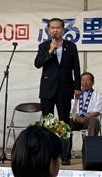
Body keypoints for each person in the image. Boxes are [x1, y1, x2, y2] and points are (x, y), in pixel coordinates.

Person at [34, 18, 81, 165]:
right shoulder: (44, 46)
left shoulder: (71, 46)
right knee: (47, 123)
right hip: (47, 89)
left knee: (64, 123)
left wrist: (77, 87)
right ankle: (47, 154)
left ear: (63, 30)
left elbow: (77, 68)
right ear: (48, 30)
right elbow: (37, 64)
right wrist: (50, 50)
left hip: (65, 89)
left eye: (58, 28)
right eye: (52, 28)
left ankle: (65, 155)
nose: (55, 30)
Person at [70, 72, 102, 137]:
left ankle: (91, 145)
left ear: (92, 82)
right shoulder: (76, 94)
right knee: (65, 122)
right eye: (83, 80)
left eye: (88, 80)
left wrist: (85, 118)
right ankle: (66, 146)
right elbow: (72, 110)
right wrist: (76, 117)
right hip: (77, 119)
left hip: (90, 119)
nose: (85, 83)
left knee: (94, 121)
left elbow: (97, 112)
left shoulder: (98, 95)